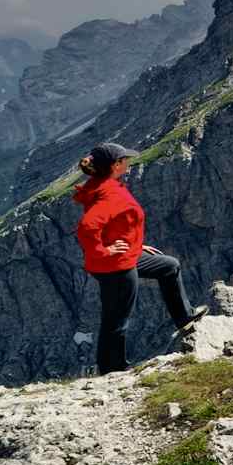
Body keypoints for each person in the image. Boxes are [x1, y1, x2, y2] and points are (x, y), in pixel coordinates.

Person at [73, 141, 207, 374]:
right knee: (116, 320)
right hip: (115, 267)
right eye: (125, 159)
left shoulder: (103, 184)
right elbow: (87, 227)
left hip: (126, 255)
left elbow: (116, 223)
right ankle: (112, 369)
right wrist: (104, 251)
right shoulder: (109, 193)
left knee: (169, 266)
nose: (129, 161)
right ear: (116, 165)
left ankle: (184, 318)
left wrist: (136, 244)